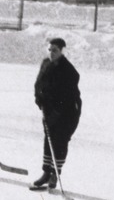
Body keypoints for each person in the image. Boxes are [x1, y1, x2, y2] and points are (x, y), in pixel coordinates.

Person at [29, 37, 82, 191]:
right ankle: (46, 172)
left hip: (68, 111)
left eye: (55, 50)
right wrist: (39, 99)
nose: (52, 53)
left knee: (60, 140)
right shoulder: (46, 63)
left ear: (62, 51)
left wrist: (55, 113)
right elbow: (38, 84)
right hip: (49, 109)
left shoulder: (69, 71)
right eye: (50, 50)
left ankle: (55, 174)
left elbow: (68, 97)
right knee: (49, 138)